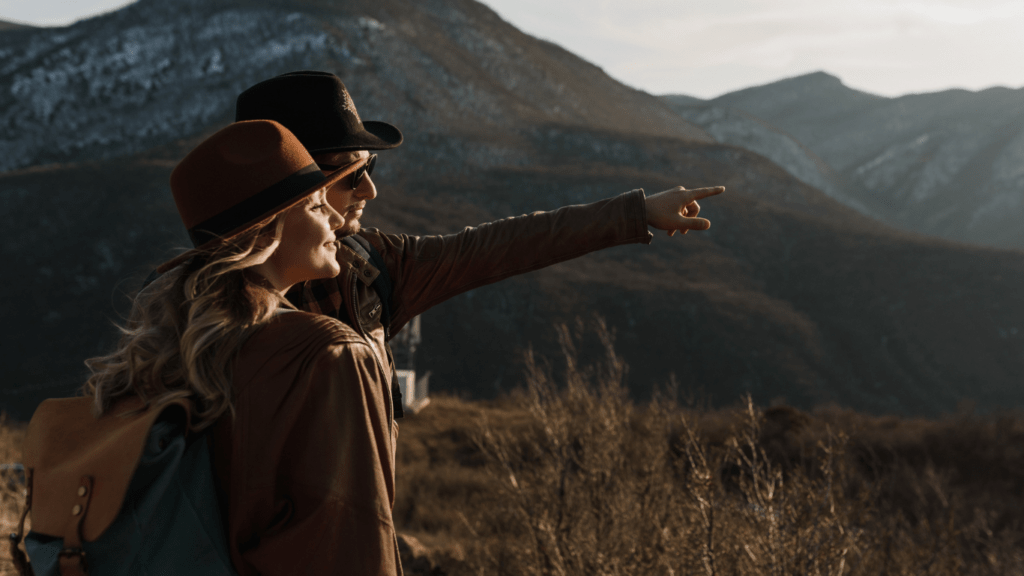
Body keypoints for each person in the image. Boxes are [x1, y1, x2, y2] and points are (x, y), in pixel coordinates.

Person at [232, 70, 725, 418]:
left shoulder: (373, 267)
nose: (369, 190)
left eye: (371, 168)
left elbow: (505, 245)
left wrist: (635, 213)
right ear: (288, 185)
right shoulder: (188, 317)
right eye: (347, 173)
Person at [84, 120, 406, 574]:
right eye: (316, 205)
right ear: (268, 230)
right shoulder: (329, 354)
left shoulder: (170, 352)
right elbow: (358, 545)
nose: (336, 217)